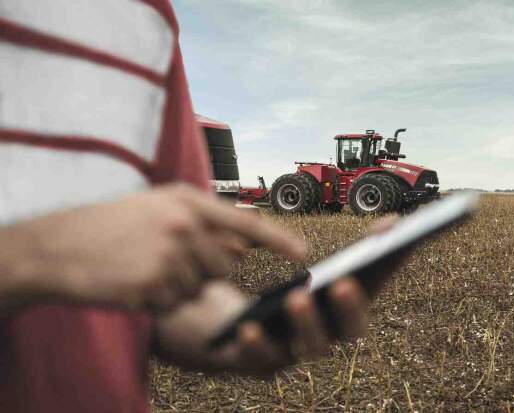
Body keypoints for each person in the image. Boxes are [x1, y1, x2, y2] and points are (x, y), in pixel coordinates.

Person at [0, 2, 400, 412]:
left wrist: (240, 331)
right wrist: (37, 255)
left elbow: (168, 288)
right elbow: (95, 250)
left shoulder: (147, 13)